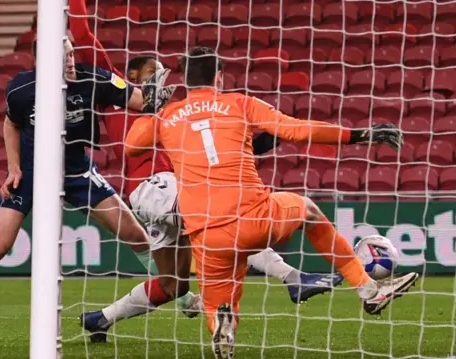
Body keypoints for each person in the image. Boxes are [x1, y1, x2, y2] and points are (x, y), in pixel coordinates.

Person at [124, 46, 419, 358]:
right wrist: (359, 136)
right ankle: (369, 290)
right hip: (256, 217)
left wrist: (149, 109)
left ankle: (221, 323)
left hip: (209, 235)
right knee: (309, 211)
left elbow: (130, 148)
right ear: (219, 77)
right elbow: (296, 130)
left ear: (186, 79)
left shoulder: (168, 116)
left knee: (216, 306)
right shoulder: (240, 103)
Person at [0, 38, 168, 348]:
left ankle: (180, 297)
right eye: (63, 56)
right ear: (43, 61)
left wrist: (155, 85)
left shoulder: (94, 78)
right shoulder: (21, 90)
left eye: (72, 53)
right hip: (33, 173)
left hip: (76, 170)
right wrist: (13, 168)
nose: (71, 60)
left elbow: (143, 102)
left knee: (135, 234)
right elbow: (11, 124)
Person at [79, 55, 344, 343]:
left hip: (169, 192)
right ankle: (293, 278)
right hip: (156, 186)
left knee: (173, 284)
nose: (160, 76)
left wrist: (256, 145)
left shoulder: (169, 111)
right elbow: (90, 45)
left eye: (162, 71)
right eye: (152, 71)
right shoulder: (121, 98)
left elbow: (204, 153)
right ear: (130, 74)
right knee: (225, 218)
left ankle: (101, 319)